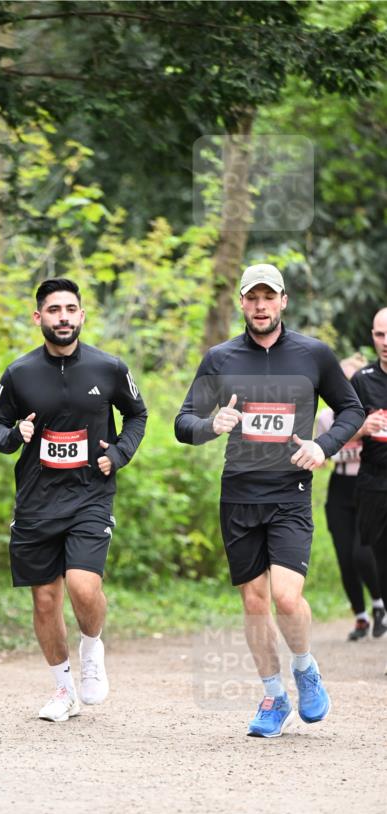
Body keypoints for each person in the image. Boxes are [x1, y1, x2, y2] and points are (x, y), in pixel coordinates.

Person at [175, 263, 365, 737]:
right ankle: (274, 697)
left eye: (269, 297)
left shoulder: (313, 354)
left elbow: (351, 409)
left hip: (289, 491)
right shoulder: (220, 358)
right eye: (252, 297)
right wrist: (210, 425)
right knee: (255, 601)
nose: (260, 306)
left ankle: (304, 667)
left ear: (283, 301)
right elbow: (184, 421)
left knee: (285, 596)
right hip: (239, 493)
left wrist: (323, 446)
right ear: (242, 302)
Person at [0, 277, 147, 721]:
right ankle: (63, 690)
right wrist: (14, 435)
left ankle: (92, 648)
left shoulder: (108, 368)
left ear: (82, 315)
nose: (63, 318)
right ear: (38, 317)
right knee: (44, 599)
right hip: (37, 500)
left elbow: (137, 414)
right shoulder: (19, 373)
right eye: (54, 310)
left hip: (90, 493)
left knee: (83, 585)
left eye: (70, 309)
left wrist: (120, 453)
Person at [316, 355, 385, 641]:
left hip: (368, 483)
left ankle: (379, 604)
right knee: (345, 556)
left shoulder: (376, 411)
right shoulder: (325, 418)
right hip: (340, 487)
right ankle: (360, 616)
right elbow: (323, 453)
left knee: (363, 552)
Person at [350, 307, 387, 638]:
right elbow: (338, 433)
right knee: (378, 558)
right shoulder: (362, 380)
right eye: (380, 334)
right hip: (375, 481)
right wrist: (362, 428)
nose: (386, 342)